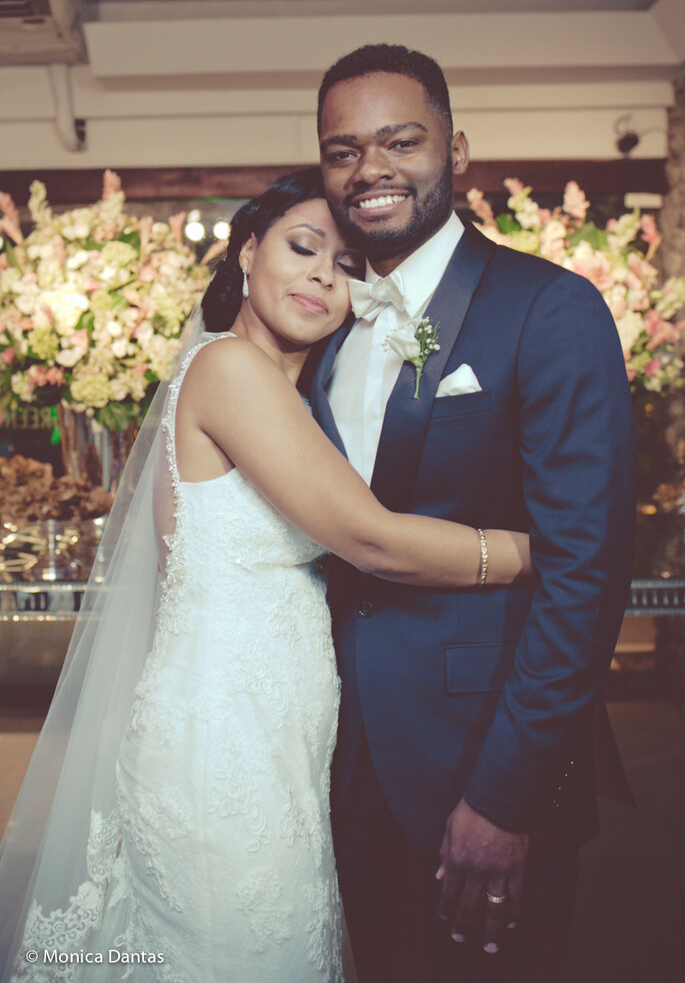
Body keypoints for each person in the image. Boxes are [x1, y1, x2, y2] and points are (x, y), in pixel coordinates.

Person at [0, 168, 533, 983]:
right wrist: (531, 550)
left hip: (273, 743)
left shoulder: (291, 395)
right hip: (223, 754)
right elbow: (371, 540)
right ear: (248, 251)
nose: (324, 273)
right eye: (302, 245)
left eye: (349, 265)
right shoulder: (229, 371)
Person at [312, 44, 637, 983]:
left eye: (399, 140)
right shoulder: (318, 318)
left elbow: (584, 572)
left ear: (456, 150)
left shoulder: (549, 308)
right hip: (335, 753)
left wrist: (507, 798)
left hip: (478, 759)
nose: (369, 169)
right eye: (342, 151)